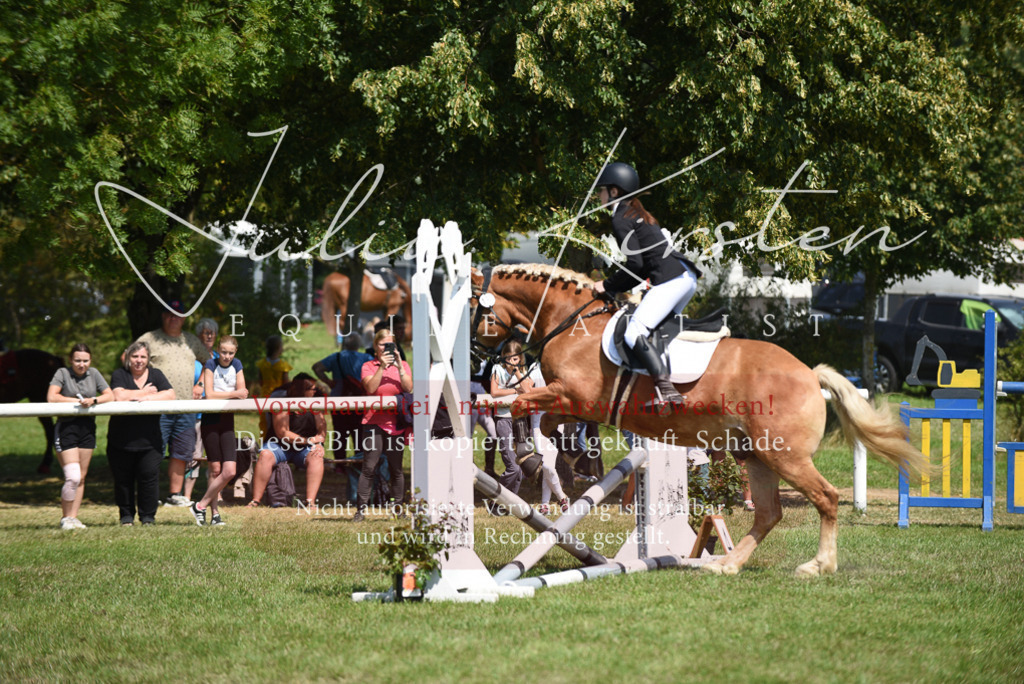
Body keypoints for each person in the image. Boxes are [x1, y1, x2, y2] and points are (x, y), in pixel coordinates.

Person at [590, 162, 702, 407]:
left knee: (634, 333)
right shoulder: (637, 212)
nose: (598, 196)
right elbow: (639, 266)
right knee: (656, 333)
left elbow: (636, 265)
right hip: (685, 277)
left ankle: (666, 390)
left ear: (615, 192)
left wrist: (607, 285)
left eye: (601, 191)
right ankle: (663, 387)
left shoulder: (620, 217)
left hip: (670, 281)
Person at [132, 300, 208, 505]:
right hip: (158, 407)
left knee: (181, 452)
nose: (173, 318)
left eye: (177, 314)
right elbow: (129, 359)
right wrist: (140, 388)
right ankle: (150, 496)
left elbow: (209, 361)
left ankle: (174, 495)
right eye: (169, 314)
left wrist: (200, 383)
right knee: (154, 450)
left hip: (186, 406)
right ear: (163, 316)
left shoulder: (191, 340)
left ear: (183, 317)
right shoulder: (150, 338)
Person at [46, 343, 114, 530]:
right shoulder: (62, 373)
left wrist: (94, 400)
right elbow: (52, 397)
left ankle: (73, 518)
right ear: (70, 360)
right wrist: (77, 402)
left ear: (90, 361)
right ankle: (65, 518)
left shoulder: (94, 373)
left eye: (85, 361)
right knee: (73, 477)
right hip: (66, 427)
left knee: (82, 477)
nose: (81, 364)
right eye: (77, 360)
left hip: (87, 428)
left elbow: (110, 395)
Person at [107, 341, 176, 525]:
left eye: (143, 357)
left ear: (148, 359)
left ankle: (148, 518)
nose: (138, 360)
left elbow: (170, 395)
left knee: (149, 479)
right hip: (121, 441)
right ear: (128, 358)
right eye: (135, 356)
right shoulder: (119, 374)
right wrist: (144, 392)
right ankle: (126, 517)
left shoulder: (156, 375)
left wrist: (143, 397)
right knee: (123, 481)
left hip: (150, 441)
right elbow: (118, 396)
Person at [353, 328, 413, 521]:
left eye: (390, 344)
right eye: (382, 344)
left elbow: (409, 388)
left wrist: (399, 367)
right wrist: (382, 368)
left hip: (396, 423)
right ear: (375, 347)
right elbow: (370, 388)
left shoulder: (402, 364)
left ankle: (397, 508)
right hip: (373, 422)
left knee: (396, 468)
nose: (386, 348)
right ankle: (360, 511)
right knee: (369, 467)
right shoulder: (368, 366)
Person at [189, 335, 248, 526]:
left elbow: (243, 390)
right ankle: (214, 514)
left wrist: (236, 394)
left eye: (231, 353)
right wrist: (234, 394)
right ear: (217, 350)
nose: (227, 356)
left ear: (235, 352)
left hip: (227, 419)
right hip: (211, 418)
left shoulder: (237, 364)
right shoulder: (210, 364)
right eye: (223, 352)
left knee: (229, 470)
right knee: (215, 469)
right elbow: (211, 395)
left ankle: (200, 505)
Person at [247, 374, 327, 509]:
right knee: (265, 455)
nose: (315, 391)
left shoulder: (315, 405)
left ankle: (310, 502)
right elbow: (283, 433)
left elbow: (322, 429)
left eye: (315, 388)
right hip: (279, 445)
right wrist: (309, 440)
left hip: (303, 448)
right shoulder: (282, 403)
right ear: (300, 389)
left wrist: (319, 443)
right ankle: (255, 501)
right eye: (310, 388)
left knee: (317, 456)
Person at [313, 332, 372, 461]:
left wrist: (329, 382)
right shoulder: (366, 358)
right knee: (359, 434)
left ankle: (340, 464)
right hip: (359, 402)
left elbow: (316, 367)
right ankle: (359, 460)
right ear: (359, 344)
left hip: (338, 401)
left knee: (340, 434)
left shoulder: (336, 357)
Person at [525, 363, 570, 515]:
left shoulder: (561, 368)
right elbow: (526, 388)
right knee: (546, 465)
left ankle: (545, 504)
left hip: (556, 423)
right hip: (537, 423)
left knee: (548, 465)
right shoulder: (534, 368)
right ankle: (562, 497)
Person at [185, 317, 220, 503]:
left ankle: (216, 494)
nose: (209, 336)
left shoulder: (218, 358)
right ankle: (187, 495)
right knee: (194, 456)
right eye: (205, 332)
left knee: (216, 457)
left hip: (215, 414)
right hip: (196, 415)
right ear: (198, 336)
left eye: (212, 333)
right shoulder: (192, 359)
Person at [490, 339, 529, 497]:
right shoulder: (497, 369)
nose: (511, 362)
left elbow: (527, 390)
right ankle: (497, 497)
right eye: (508, 359)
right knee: (512, 466)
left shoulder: (522, 371)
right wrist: (515, 391)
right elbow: (494, 392)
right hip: (503, 419)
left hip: (519, 421)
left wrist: (517, 371)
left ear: (520, 359)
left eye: (515, 359)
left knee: (520, 468)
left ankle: (509, 502)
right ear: (503, 357)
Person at [255, 335, 292, 439]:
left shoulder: (261, 364)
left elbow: (260, 382)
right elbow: (286, 383)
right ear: (279, 348)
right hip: (279, 396)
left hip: (265, 395)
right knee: (280, 421)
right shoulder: (283, 366)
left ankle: (264, 442)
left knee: (264, 422)